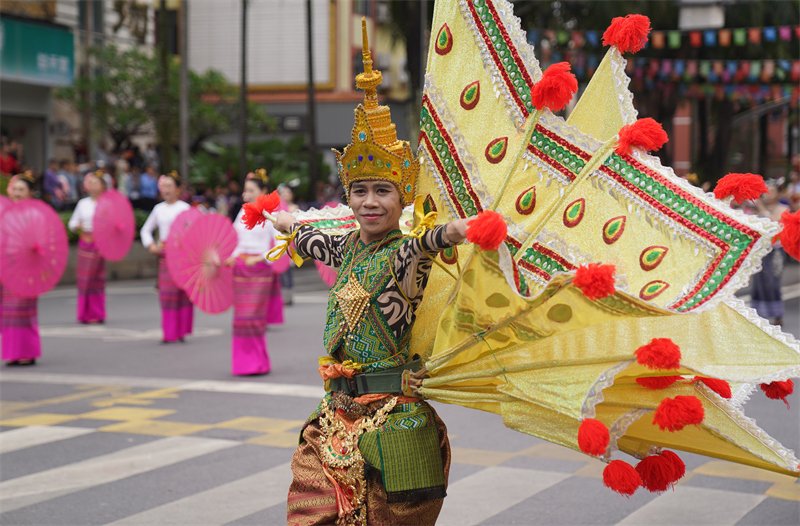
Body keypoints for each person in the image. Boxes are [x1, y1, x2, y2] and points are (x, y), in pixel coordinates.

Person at [270, 38, 471, 524]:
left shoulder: (405, 254)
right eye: (359, 191)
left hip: (396, 423)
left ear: (402, 201)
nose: (369, 202)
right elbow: (313, 238)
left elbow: (428, 242)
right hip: (334, 419)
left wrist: (461, 230)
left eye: (383, 191)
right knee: (309, 515)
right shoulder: (347, 247)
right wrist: (288, 224)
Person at [225, 170, 277, 375]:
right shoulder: (242, 211)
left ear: (263, 191)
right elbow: (237, 239)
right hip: (240, 269)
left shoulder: (270, 214)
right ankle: (245, 364)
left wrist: (261, 257)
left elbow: (281, 243)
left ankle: (257, 363)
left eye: (250, 190)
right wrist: (233, 255)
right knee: (241, 319)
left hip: (260, 270)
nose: (245, 194)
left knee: (253, 318)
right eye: (245, 190)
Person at [140, 171, 193, 343]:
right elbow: (145, 230)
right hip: (165, 256)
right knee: (167, 295)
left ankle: (181, 330)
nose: (166, 190)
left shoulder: (185, 209)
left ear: (178, 189)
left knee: (182, 294)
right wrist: (151, 244)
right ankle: (169, 332)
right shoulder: (158, 209)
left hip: (182, 256)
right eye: (164, 186)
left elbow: (193, 232)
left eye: (170, 186)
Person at [1, 173, 41, 365]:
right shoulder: (6, 213)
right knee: (8, 311)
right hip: (9, 268)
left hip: (27, 267)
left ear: (31, 193)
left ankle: (27, 351)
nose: (16, 193)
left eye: (21, 190)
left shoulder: (35, 214)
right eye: (14, 189)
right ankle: (12, 352)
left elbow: (40, 241)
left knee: (24, 310)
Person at [68, 171, 108, 324]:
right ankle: (84, 313)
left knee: (96, 279)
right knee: (84, 279)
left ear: (103, 186)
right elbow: (72, 223)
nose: (92, 186)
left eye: (95, 183)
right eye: (90, 183)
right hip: (85, 242)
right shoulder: (82, 203)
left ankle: (97, 313)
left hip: (99, 243)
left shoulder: (107, 204)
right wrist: (77, 225)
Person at [751, 182, 790, 326]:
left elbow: (775, 221)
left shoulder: (783, 208)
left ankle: (777, 314)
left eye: (772, 191)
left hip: (777, 251)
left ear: (778, 193)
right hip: (760, 250)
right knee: (758, 282)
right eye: (766, 191)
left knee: (772, 282)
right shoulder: (757, 209)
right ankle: (759, 313)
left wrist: (762, 209)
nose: (769, 194)